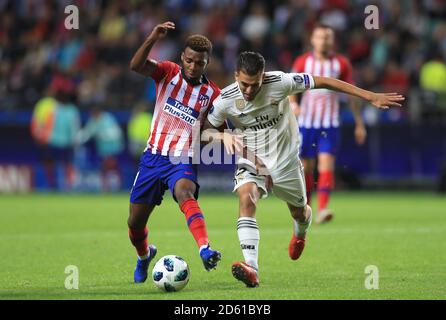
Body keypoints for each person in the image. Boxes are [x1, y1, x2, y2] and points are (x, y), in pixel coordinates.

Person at [202, 51, 404, 287]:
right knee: (247, 198)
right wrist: (222, 136)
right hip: (251, 159)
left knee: (300, 212)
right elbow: (205, 131)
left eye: (254, 85)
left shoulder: (281, 82)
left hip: (286, 160)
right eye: (244, 84)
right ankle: (252, 268)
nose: (248, 91)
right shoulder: (226, 99)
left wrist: (369, 96)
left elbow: (325, 81)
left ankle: (300, 232)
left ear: (263, 77)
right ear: (236, 76)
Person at [128, 21, 222, 283]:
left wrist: (208, 138)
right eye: (190, 60)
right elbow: (136, 65)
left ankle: (205, 248)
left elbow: (213, 130)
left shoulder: (212, 94)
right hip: (153, 157)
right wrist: (151, 38)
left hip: (182, 159)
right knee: (135, 223)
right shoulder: (168, 72)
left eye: (199, 63)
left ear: (207, 63)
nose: (193, 66)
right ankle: (145, 255)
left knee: (185, 192)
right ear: (183, 57)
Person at [289, 24, 367, 224]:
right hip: (306, 123)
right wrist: (293, 103)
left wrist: (359, 123)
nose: (324, 41)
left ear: (333, 41)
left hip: (329, 124)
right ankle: (307, 208)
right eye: (320, 37)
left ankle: (323, 208)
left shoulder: (341, 64)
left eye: (327, 37)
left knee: (326, 165)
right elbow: (289, 86)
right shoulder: (303, 61)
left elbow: (351, 94)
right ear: (313, 40)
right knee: (306, 168)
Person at [76, 107, 125, 192]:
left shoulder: (108, 119)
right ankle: (106, 187)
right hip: (103, 149)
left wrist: (103, 135)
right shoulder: (93, 121)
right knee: (105, 168)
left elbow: (116, 133)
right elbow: (87, 132)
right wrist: (78, 139)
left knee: (112, 167)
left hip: (113, 148)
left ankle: (118, 185)